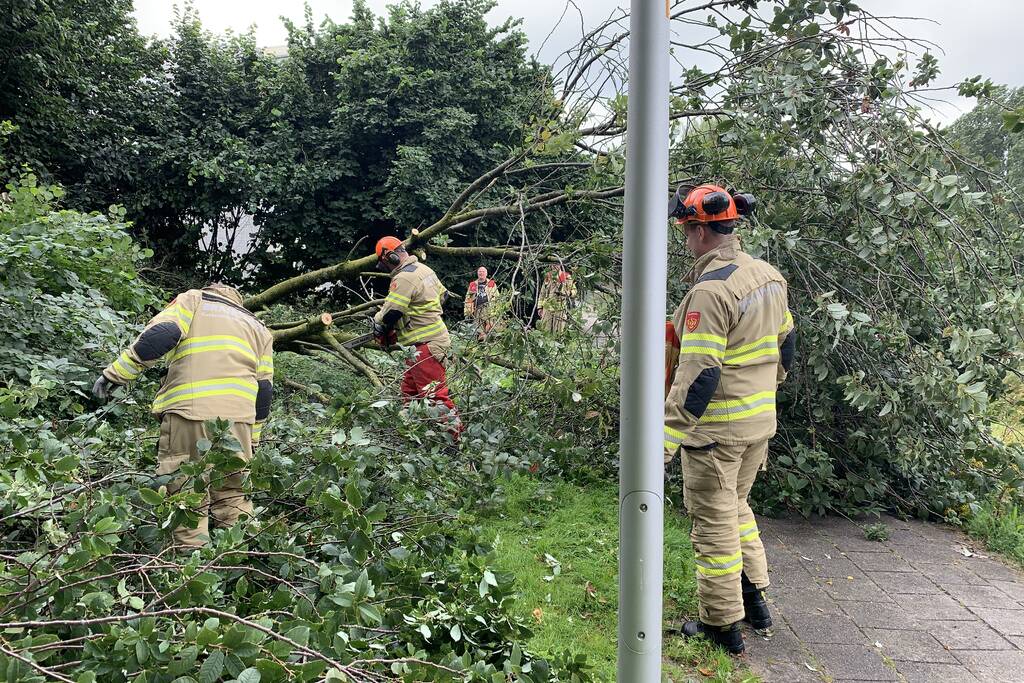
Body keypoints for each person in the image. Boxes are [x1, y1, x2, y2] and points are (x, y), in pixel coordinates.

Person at [663, 184, 795, 654]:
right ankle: (755, 601)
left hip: (716, 434)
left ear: (701, 231)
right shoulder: (768, 276)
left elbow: (699, 374)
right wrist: (763, 394)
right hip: (758, 425)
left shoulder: (711, 290)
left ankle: (722, 626)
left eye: (686, 232)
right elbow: (786, 345)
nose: (685, 241)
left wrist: (664, 439)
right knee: (737, 509)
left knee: (714, 526)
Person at [92, 283, 274, 548]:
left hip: (191, 410)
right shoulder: (259, 327)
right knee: (234, 493)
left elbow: (164, 334)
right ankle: (239, 558)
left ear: (211, 289)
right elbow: (264, 391)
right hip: (240, 422)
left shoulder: (195, 300)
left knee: (187, 490)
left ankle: (192, 565)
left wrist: (116, 374)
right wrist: (253, 439)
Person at [372, 236, 462, 439]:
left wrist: (379, 326)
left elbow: (390, 313)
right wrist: (415, 315)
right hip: (424, 344)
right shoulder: (424, 269)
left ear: (392, 257)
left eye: (385, 263)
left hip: (426, 346)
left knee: (434, 398)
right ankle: (411, 436)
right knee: (410, 392)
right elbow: (443, 296)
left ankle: (455, 441)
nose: (386, 267)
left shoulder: (404, 277)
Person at [536, 264, 577, 334]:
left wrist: (569, 293)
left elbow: (574, 291)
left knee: (558, 333)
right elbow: (542, 293)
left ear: (560, 264)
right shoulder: (548, 276)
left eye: (556, 264)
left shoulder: (566, 276)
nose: (554, 266)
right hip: (547, 309)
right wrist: (539, 307)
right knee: (545, 332)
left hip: (560, 309)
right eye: (552, 264)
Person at [464, 266, 500, 341]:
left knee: (490, 326)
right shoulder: (473, 284)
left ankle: (487, 341)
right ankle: (481, 343)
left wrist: (497, 310)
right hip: (477, 309)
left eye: (483, 272)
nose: (481, 273)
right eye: (480, 271)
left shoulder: (491, 283)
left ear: (486, 273)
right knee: (479, 328)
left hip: (489, 309)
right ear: (477, 273)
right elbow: (468, 298)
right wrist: (467, 311)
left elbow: (497, 297)